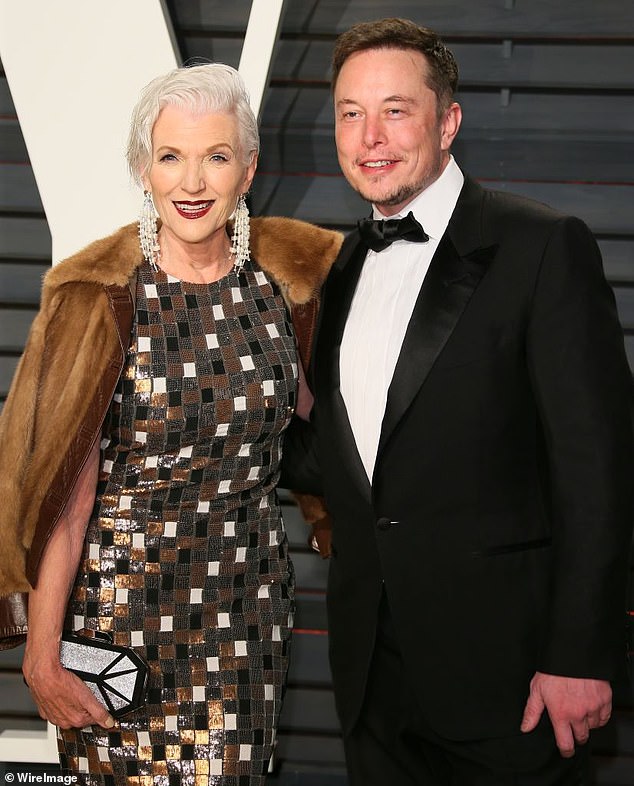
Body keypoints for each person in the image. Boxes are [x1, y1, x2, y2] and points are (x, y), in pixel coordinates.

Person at [282, 17, 634, 786]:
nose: (369, 136)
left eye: (396, 110)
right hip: (372, 676)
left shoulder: (542, 248)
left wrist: (580, 654)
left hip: (509, 681)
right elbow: (339, 459)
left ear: (449, 123)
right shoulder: (338, 269)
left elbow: (599, 470)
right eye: (349, 113)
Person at [0, 63, 341, 784]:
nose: (193, 181)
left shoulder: (287, 290)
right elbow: (67, 497)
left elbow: (338, 428)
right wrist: (40, 648)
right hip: (118, 622)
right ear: (142, 169)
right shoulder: (103, 299)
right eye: (170, 156)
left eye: (216, 156)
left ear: (247, 170)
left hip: (241, 619)